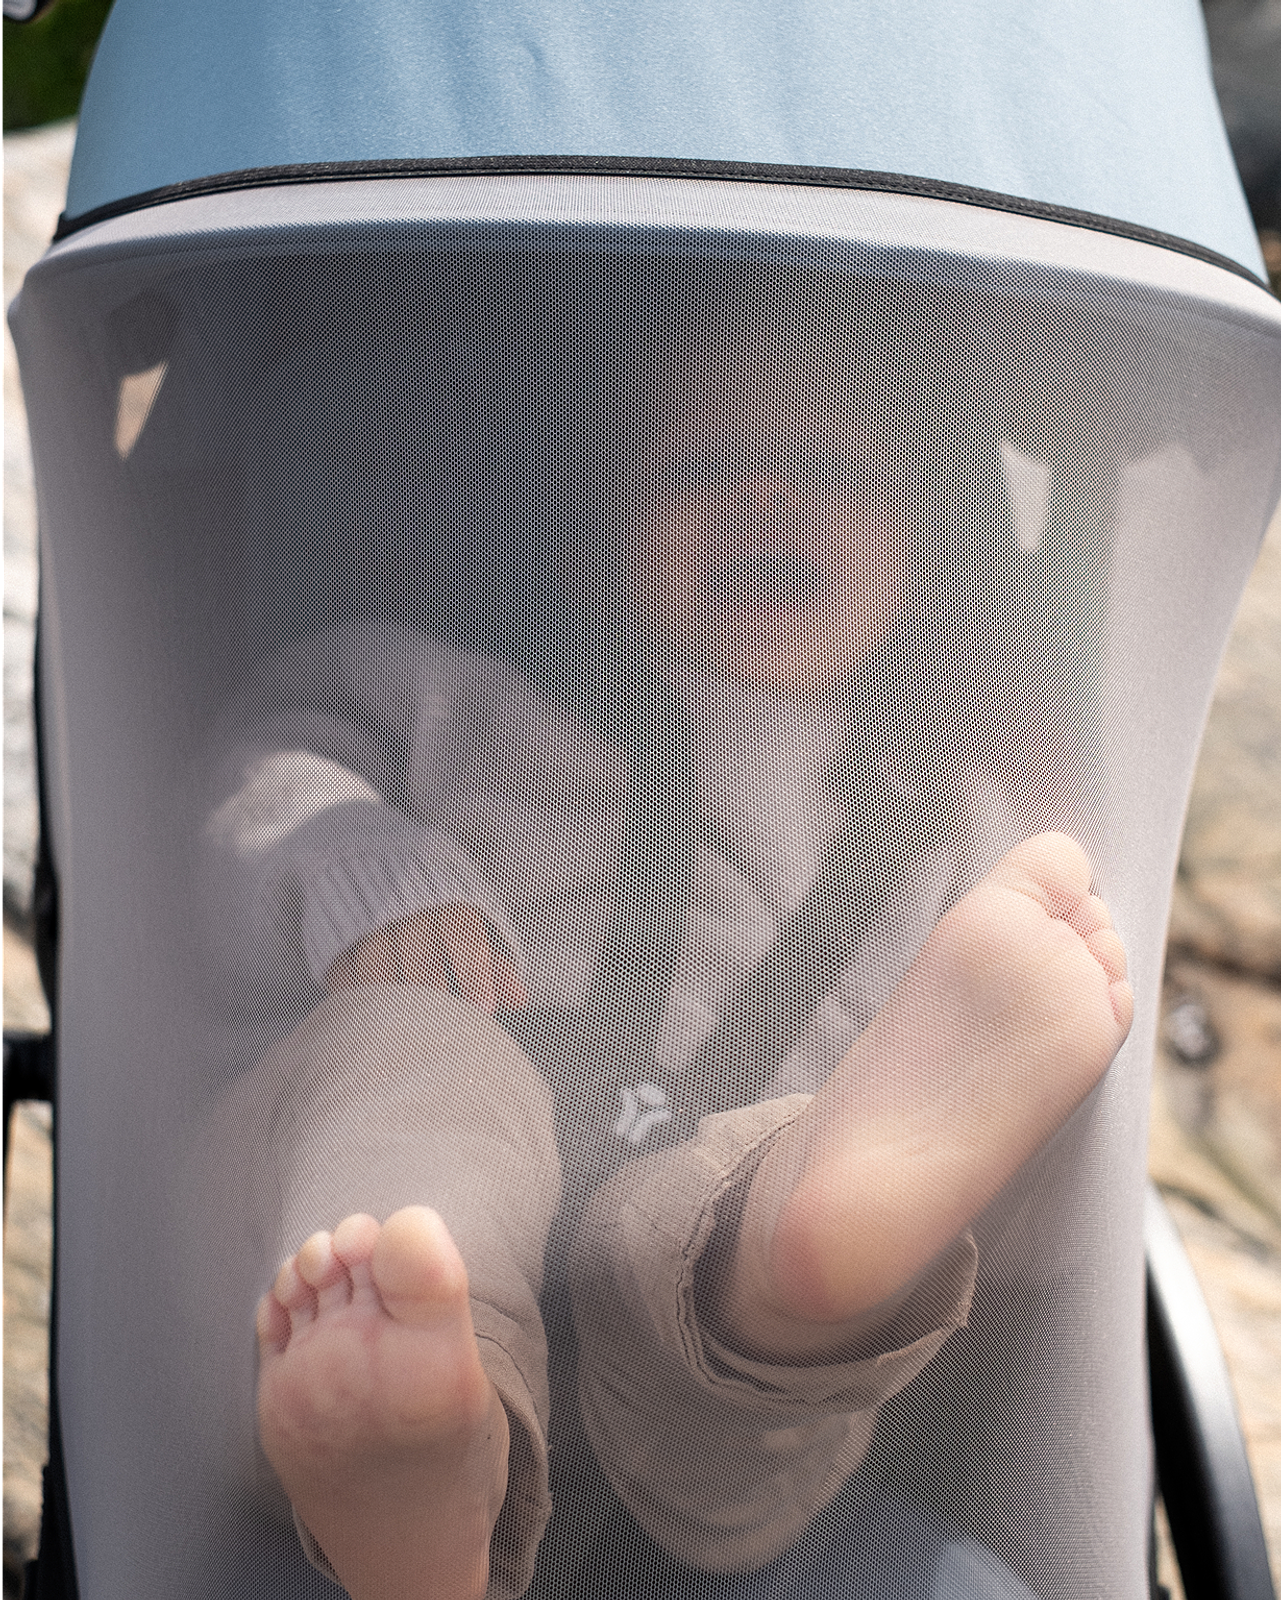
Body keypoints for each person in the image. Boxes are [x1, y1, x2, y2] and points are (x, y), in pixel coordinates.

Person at [201, 332, 1132, 1600]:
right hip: (404, 1219)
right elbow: (245, 795)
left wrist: (1062, 815)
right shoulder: (452, 697)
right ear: (590, 534)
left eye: (826, 468)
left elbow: (1029, 1255)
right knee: (411, 1055)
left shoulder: (961, 833)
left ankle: (794, 1286)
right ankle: (423, 1436)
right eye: (705, 468)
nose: (769, 496)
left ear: (918, 552)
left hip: (697, 1365)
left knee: (752, 1197)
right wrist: (370, 881)